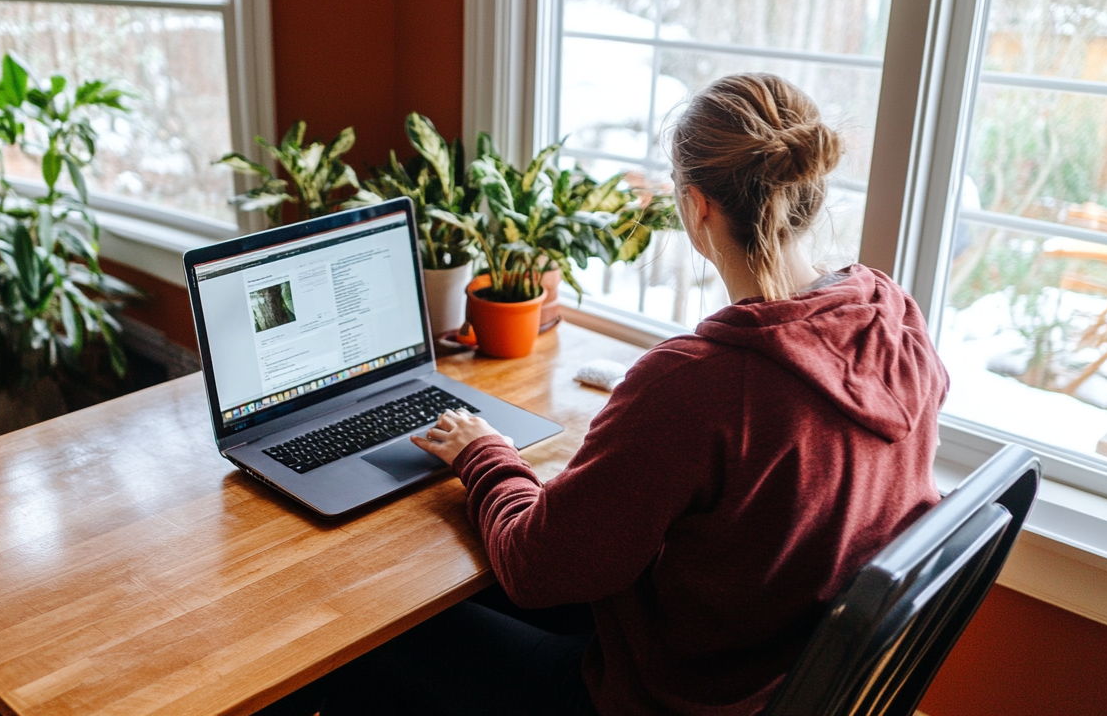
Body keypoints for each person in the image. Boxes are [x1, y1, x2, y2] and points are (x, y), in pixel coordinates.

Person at [263, 73, 947, 716]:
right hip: (768, 672)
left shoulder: (698, 381)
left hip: (659, 699)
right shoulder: (890, 315)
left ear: (697, 205)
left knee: (360, 632)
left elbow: (534, 569)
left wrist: (484, 455)